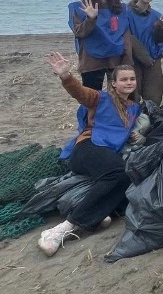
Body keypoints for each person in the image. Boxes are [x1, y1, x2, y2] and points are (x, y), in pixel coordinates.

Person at [39, 53, 140, 257]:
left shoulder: (134, 108)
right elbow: (80, 92)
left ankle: (100, 215)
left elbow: (120, 129)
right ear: (113, 83)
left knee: (127, 175)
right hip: (87, 148)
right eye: (124, 79)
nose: (129, 82)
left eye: (132, 79)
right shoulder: (100, 98)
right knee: (117, 171)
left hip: (106, 154)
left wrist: (133, 134)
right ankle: (62, 229)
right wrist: (66, 76)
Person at [68, 0, 133, 90]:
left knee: (117, 95)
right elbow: (79, 33)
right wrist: (91, 18)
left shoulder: (121, 8)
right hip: (92, 59)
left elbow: (125, 35)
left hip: (116, 57)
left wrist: (127, 59)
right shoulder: (81, 7)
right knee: (92, 95)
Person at [127, 0, 163, 104]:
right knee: (132, 93)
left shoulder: (157, 15)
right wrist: (143, 56)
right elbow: (127, 36)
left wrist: (162, 27)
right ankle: (131, 114)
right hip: (132, 58)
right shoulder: (126, 12)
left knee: (153, 94)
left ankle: (150, 114)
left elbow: (159, 40)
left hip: (153, 59)